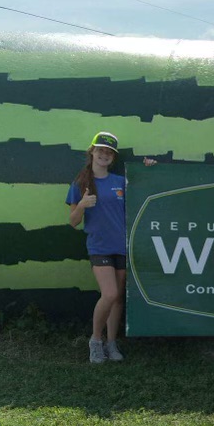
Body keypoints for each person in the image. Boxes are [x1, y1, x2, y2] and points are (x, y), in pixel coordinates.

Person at [67, 131, 156, 363]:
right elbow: (73, 222)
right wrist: (83, 205)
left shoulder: (120, 182)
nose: (104, 155)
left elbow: (144, 192)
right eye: (100, 151)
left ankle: (111, 343)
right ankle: (95, 341)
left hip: (122, 247)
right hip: (99, 247)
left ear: (112, 157)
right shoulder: (81, 183)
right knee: (110, 293)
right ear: (92, 152)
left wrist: (148, 168)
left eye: (109, 152)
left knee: (117, 299)